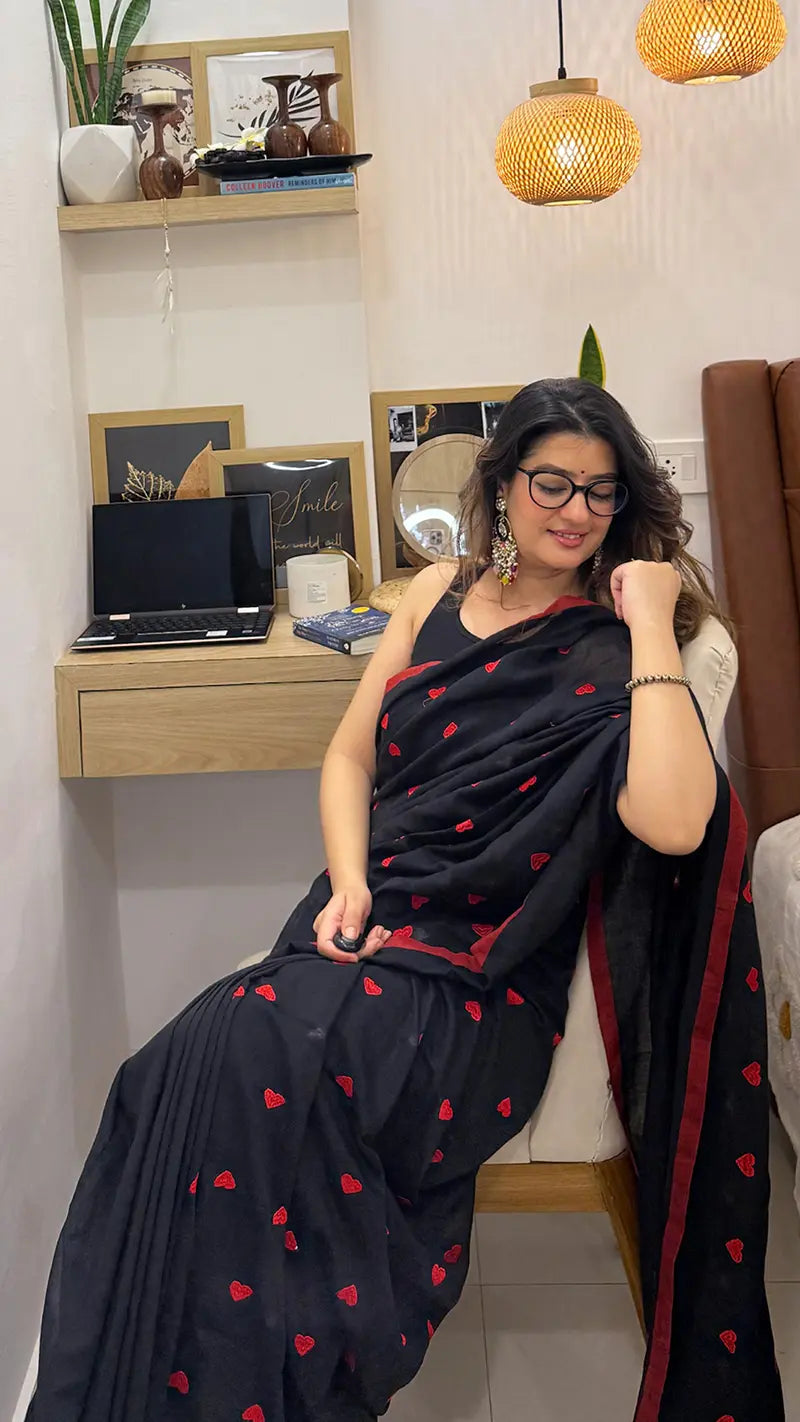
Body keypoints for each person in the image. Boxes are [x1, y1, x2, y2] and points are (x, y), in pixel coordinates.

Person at [27, 379, 783, 1422]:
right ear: (502, 485)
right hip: (363, 917)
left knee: (256, 1046)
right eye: (551, 483)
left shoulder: (616, 641)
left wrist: (651, 620)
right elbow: (350, 758)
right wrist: (348, 882)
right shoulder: (433, 594)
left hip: (480, 972)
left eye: (601, 491)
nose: (574, 511)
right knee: (176, 1067)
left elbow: (675, 821)